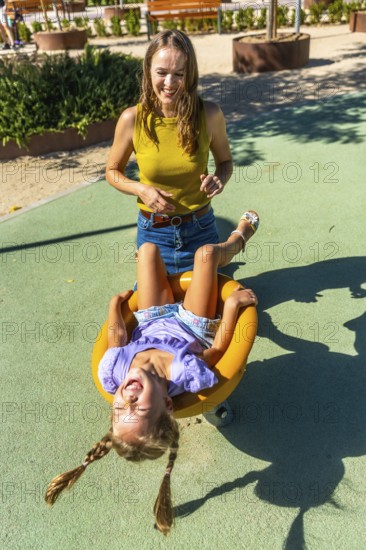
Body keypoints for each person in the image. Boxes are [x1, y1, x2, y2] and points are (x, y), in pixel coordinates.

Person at [45, 210, 259, 536]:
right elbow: (216, 353)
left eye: (119, 408)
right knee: (205, 256)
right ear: (167, 404)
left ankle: (177, 240)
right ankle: (237, 240)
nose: (127, 397)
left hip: (150, 319)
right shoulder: (181, 374)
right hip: (193, 324)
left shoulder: (112, 374)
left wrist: (113, 307)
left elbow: (116, 341)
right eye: (139, 407)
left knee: (146, 251)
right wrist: (230, 307)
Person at [105, 29, 234, 274]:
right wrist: (140, 189)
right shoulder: (131, 118)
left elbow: (225, 162)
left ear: (190, 75)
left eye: (179, 74)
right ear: (148, 71)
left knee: (206, 310)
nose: (169, 83)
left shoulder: (209, 114)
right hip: (153, 235)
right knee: (151, 311)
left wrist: (219, 180)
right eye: (162, 73)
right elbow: (112, 171)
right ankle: (235, 243)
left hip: (201, 229)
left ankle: (234, 242)